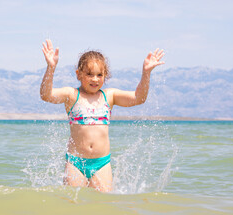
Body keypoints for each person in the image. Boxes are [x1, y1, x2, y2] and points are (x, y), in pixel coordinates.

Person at [40, 39, 165, 192]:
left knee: (102, 204)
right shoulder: (72, 95)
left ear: (105, 76)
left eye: (100, 75)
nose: (95, 79)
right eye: (89, 74)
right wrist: (50, 68)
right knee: (73, 204)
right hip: (75, 163)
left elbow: (139, 98)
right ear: (79, 74)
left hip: (101, 164)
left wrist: (146, 73)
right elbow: (46, 95)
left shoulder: (109, 96)